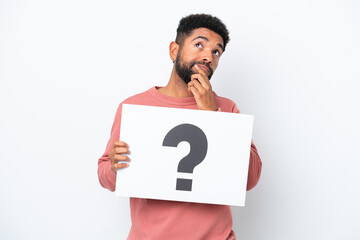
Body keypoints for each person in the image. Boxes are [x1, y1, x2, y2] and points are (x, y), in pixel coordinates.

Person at [98, 13, 262, 240]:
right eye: (199, 45)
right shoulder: (134, 107)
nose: (208, 57)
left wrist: (211, 113)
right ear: (174, 50)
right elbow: (106, 174)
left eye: (216, 51)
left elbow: (250, 178)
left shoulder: (227, 108)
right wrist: (115, 167)